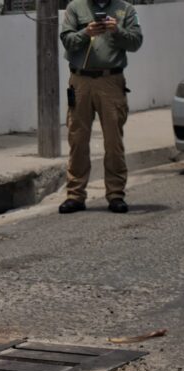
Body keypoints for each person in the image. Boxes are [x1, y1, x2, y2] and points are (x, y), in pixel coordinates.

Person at [59, 0, 142, 214]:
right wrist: (86, 32)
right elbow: (67, 41)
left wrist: (117, 30)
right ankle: (75, 195)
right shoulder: (75, 8)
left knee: (113, 141)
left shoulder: (125, 9)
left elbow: (135, 43)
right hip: (80, 82)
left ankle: (115, 194)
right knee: (77, 139)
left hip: (111, 81)